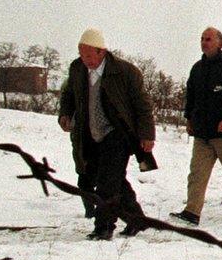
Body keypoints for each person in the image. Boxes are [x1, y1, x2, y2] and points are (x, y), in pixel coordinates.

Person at [58, 28, 155, 240]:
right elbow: (69, 95)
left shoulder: (125, 72)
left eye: (89, 56)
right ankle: (136, 219)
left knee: (107, 183)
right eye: (81, 55)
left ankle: (104, 226)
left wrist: (147, 135)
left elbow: (143, 105)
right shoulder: (77, 69)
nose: (85, 60)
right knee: (109, 179)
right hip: (90, 135)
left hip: (117, 133)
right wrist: (65, 113)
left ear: (101, 52)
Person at [170, 27, 222, 225]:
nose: (204, 42)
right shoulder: (197, 69)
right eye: (202, 39)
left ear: (219, 43)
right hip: (203, 134)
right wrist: (189, 117)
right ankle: (192, 211)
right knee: (196, 174)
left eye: (208, 39)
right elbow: (191, 97)